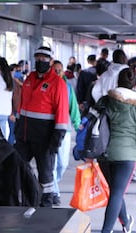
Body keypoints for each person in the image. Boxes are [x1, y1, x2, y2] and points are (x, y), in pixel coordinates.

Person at [98, 68, 136, 233]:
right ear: (135, 83)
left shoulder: (105, 100)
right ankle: (106, 230)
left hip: (103, 152)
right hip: (126, 155)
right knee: (116, 193)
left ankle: (126, 221)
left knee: (115, 190)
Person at [14, 46, 69, 207]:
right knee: (17, 168)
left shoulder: (57, 83)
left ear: (50, 61)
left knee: (46, 177)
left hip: (45, 140)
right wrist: (18, 129)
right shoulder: (29, 79)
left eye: (44, 59)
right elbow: (22, 106)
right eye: (37, 58)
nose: (40, 61)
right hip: (24, 136)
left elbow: (62, 112)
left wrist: (56, 139)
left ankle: (46, 207)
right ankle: (24, 200)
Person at [52, 60, 81, 206]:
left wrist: (77, 123)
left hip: (65, 129)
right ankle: (54, 191)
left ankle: (53, 183)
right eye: (54, 69)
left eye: (59, 69)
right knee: (52, 162)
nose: (57, 72)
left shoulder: (67, 87)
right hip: (50, 130)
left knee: (63, 163)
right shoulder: (48, 86)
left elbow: (73, 107)